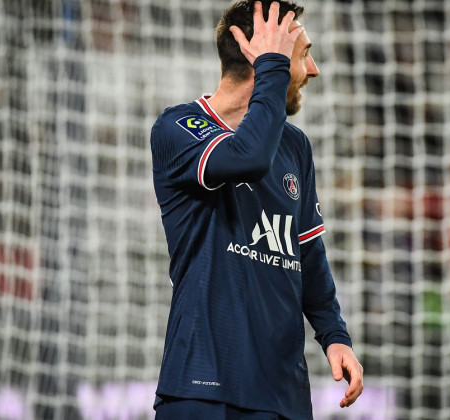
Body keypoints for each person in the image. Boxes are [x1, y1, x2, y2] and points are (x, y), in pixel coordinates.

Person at [149, 1, 363, 418]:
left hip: (282, 396)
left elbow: (308, 255)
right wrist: (272, 65)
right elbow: (246, 157)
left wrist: (335, 336)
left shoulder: (295, 146)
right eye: (303, 55)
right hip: (202, 385)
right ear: (261, 61)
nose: (313, 70)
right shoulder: (179, 127)